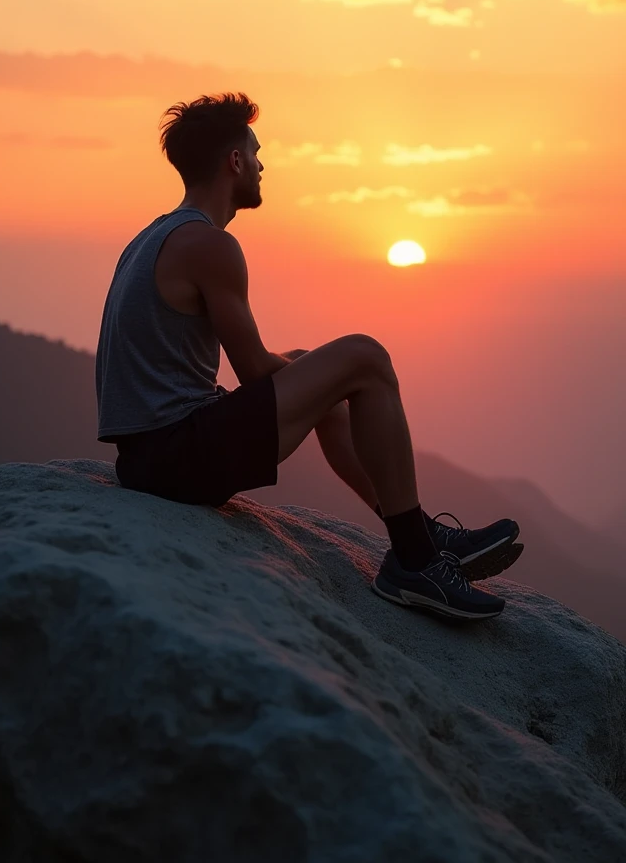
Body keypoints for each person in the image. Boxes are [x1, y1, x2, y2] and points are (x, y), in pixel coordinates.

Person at [95, 92, 523, 622]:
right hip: (179, 457)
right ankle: (415, 561)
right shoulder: (211, 246)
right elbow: (252, 370)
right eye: (255, 151)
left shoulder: (151, 237)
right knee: (365, 357)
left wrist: (309, 373)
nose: (262, 163)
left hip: (146, 459)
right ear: (234, 162)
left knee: (314, 371)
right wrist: (319, 373)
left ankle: (416, 535)